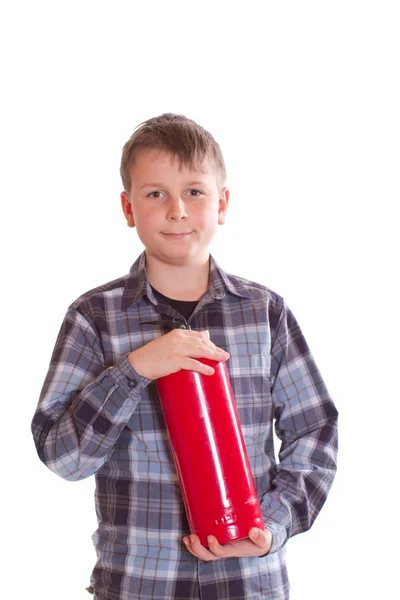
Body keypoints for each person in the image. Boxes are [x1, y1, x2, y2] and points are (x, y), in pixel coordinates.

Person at [31, 113, 338, 600]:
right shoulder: (93, 318)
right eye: (155, 194)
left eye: (194, 191)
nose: (177, 210)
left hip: (249, 584)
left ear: (223, 204)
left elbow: (314, 433)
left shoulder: (265, 314)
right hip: (138, 585)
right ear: (128, 209)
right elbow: (65, 459)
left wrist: (271, 526)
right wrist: (134, 370)